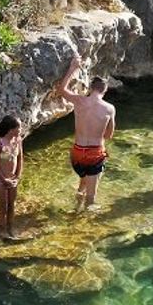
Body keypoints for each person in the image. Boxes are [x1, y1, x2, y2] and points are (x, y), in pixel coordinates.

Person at [56, 52, 115, 211]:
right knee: (92, 197)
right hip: (94, 154)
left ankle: (76, 206)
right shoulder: (109, 108)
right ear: (104, 90)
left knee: (83, 183)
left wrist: (73, 68)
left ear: (90, 88)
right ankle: (84, 224)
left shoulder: (79, 100)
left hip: (77, 153)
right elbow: (109, 135)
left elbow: (62, 90)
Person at [0, 115, 23, 239]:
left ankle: (10, 227)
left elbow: (20, 159)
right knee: (3, 207)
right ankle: (2, 231)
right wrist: (4, 180)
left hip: (13, 180)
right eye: (19, 127)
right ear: (11, 129)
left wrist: (18, 177)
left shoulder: (18, 140)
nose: (21, 129)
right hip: (0, 180)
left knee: (11, 205)